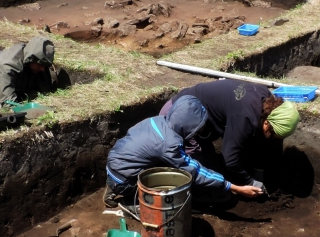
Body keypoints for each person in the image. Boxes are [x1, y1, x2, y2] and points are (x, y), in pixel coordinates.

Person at [105, 96, 265, 208]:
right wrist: (232, 187)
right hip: (125, 180)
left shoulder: (156, 121)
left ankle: (115, 185)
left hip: (115, 166)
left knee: (166, 166)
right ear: (189, 125)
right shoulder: (169, 144)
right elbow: (195, 172)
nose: (198, 132)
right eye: (198, 127)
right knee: (173, 193)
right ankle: (132, 205)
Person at [164, 79, 300, 191]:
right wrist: (250, 181)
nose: (273, 138)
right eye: (273, 134)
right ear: (267, 124)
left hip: (203, 122)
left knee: (214, 167)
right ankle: (195, 200)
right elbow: (229, 159)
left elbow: (271, 144)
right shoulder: (245, 118)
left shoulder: (267, 102)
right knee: (201, 173)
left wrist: (261, 170)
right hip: (178, 114)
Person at [0, 36, 65, 114]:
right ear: (32, 59)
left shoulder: (35, 62)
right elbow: (9, 105)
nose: (42, 69)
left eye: (45, 66)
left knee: (34, 100)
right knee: (6, 114)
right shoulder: (7, 66)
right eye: (40, 65)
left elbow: (45, 92)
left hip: (1, 96)